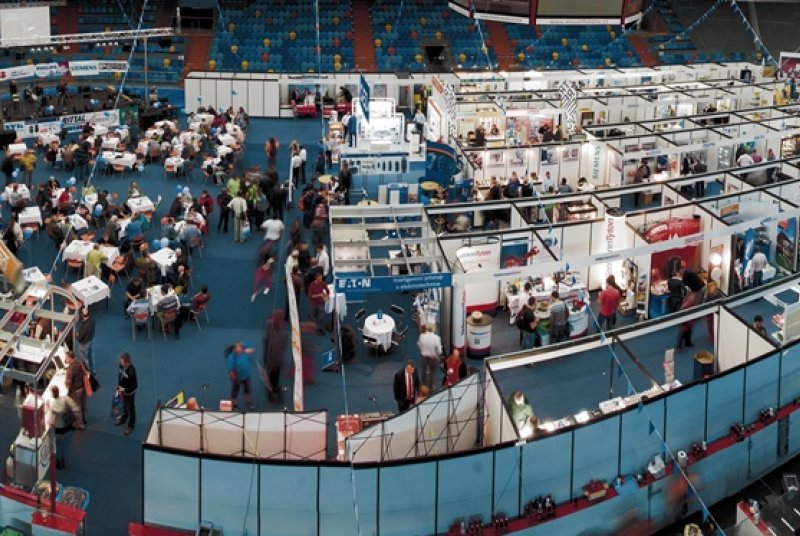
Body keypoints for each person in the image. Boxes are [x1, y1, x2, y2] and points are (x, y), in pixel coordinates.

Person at [47, 385, 81, 469]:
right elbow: (75, 408)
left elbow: (50, 420)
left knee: (57, 445)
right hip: (68, 426)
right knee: (65, 444)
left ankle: (58, 460)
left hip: (58, 429)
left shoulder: (52, 404)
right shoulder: (65, 399)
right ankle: (61, 458)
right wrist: (78, 420)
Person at [263, 312, 287, 402]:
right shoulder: (275, 336)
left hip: (277, 362)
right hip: (273, 362)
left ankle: (274, 389)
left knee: (275, 378)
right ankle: (271, 393)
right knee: (272, 379)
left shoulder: (280, 335)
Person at [226, 342, 255, 411]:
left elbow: (252, 350)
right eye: (239, 349)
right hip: (237, 378)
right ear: (235, 350)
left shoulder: (243, 349)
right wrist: (234, 379)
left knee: (247, 390)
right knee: (235, 392)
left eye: (241, 347)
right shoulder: (231, 358)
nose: (240, 349)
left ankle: (248, 403)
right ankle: (234, 405)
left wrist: (246, 350)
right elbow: (230, 371)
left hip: (246, 376)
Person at [116, 352, 138, 436]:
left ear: (127, 362)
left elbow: (135, 386)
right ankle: (124, 417)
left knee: (130, 407)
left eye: (122, 362)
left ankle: (131, 425)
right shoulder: (121, 365)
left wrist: (124, 389)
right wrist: (119, 386)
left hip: (129, 393)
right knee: (124, 405)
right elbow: (120, 375)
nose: (120, 363)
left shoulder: (132, 372)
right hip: (122, 390)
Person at [64, 351, 87, 430]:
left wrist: (66, 382)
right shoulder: (79, 361)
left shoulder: (71, 368)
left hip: (76, 390)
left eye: (66, 358)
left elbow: (68, 383)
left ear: (70, 358)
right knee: (82, 404)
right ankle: (83, 419)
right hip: (83, 387)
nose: (65, 359)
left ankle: (80, 424)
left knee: (76, 407)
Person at [417, 324, 443, 391]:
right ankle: (431, 387)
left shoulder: (422, 336)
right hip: (433, 358)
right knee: (432, 372)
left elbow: (419, 345)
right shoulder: (437, 338)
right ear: (434, 329)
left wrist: (424, 350)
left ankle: (423, 385)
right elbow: (439, 351)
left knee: (423, 371)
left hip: (424, 357)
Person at [307, 271, 329, 335]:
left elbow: (327, 290)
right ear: (316, 278)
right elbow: (311, 296)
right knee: (312, 316)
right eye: (319, 279)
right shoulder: (311, 285)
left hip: (320, 303)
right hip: (313, 304)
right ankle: (313, 327)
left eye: (321, 279)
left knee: (321, 317)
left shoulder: (323, 283)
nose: (321, 280)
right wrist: (319, 295)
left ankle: (319, 328)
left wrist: (326, 296)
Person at [76, 307, 96, 372]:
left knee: (84, 358)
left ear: (81, 315)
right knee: (91, 354)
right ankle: (93, 370)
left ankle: (86, 371)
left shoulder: (84, 326)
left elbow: (79, 338)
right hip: (91, 339)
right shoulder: (92, 319)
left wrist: (76, 334)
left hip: (84, 343)